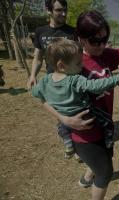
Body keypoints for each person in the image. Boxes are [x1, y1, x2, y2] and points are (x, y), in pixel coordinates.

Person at [41, 10, 119, 200]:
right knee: (105, 173)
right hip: (82, 132)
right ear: (81, 38)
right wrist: (64, 119)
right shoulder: (71, 62)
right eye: (96, 41)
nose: (102, 45)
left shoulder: (105, 54)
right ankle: (93, 178)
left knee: (104, 157)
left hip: (103, 126)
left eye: (105, 39)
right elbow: (43, 98)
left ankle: (87, 177)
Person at [31, 38, 119, 149]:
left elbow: (35, 93)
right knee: (106, 119)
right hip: (84, 113)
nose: (82, 65)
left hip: (63, 116)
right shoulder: (75, 80)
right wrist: (117, 78)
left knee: (62, 126)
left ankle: (66, 138)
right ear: (61, 66)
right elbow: (96, 87)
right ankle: (108, 136)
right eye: (78, 63)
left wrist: (34, 86)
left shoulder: (45, 80)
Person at [27, 0, 76, 158]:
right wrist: (33, 75)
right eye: (59, 10)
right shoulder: (41, 31)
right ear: (48, 11)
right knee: (60, 112)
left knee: (72, 110)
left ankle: (76, 143)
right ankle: (68, 137)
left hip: (72, 79)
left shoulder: (72, 32)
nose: (63, 13)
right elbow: (38, 57)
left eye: (65, 10)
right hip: (52, 80)